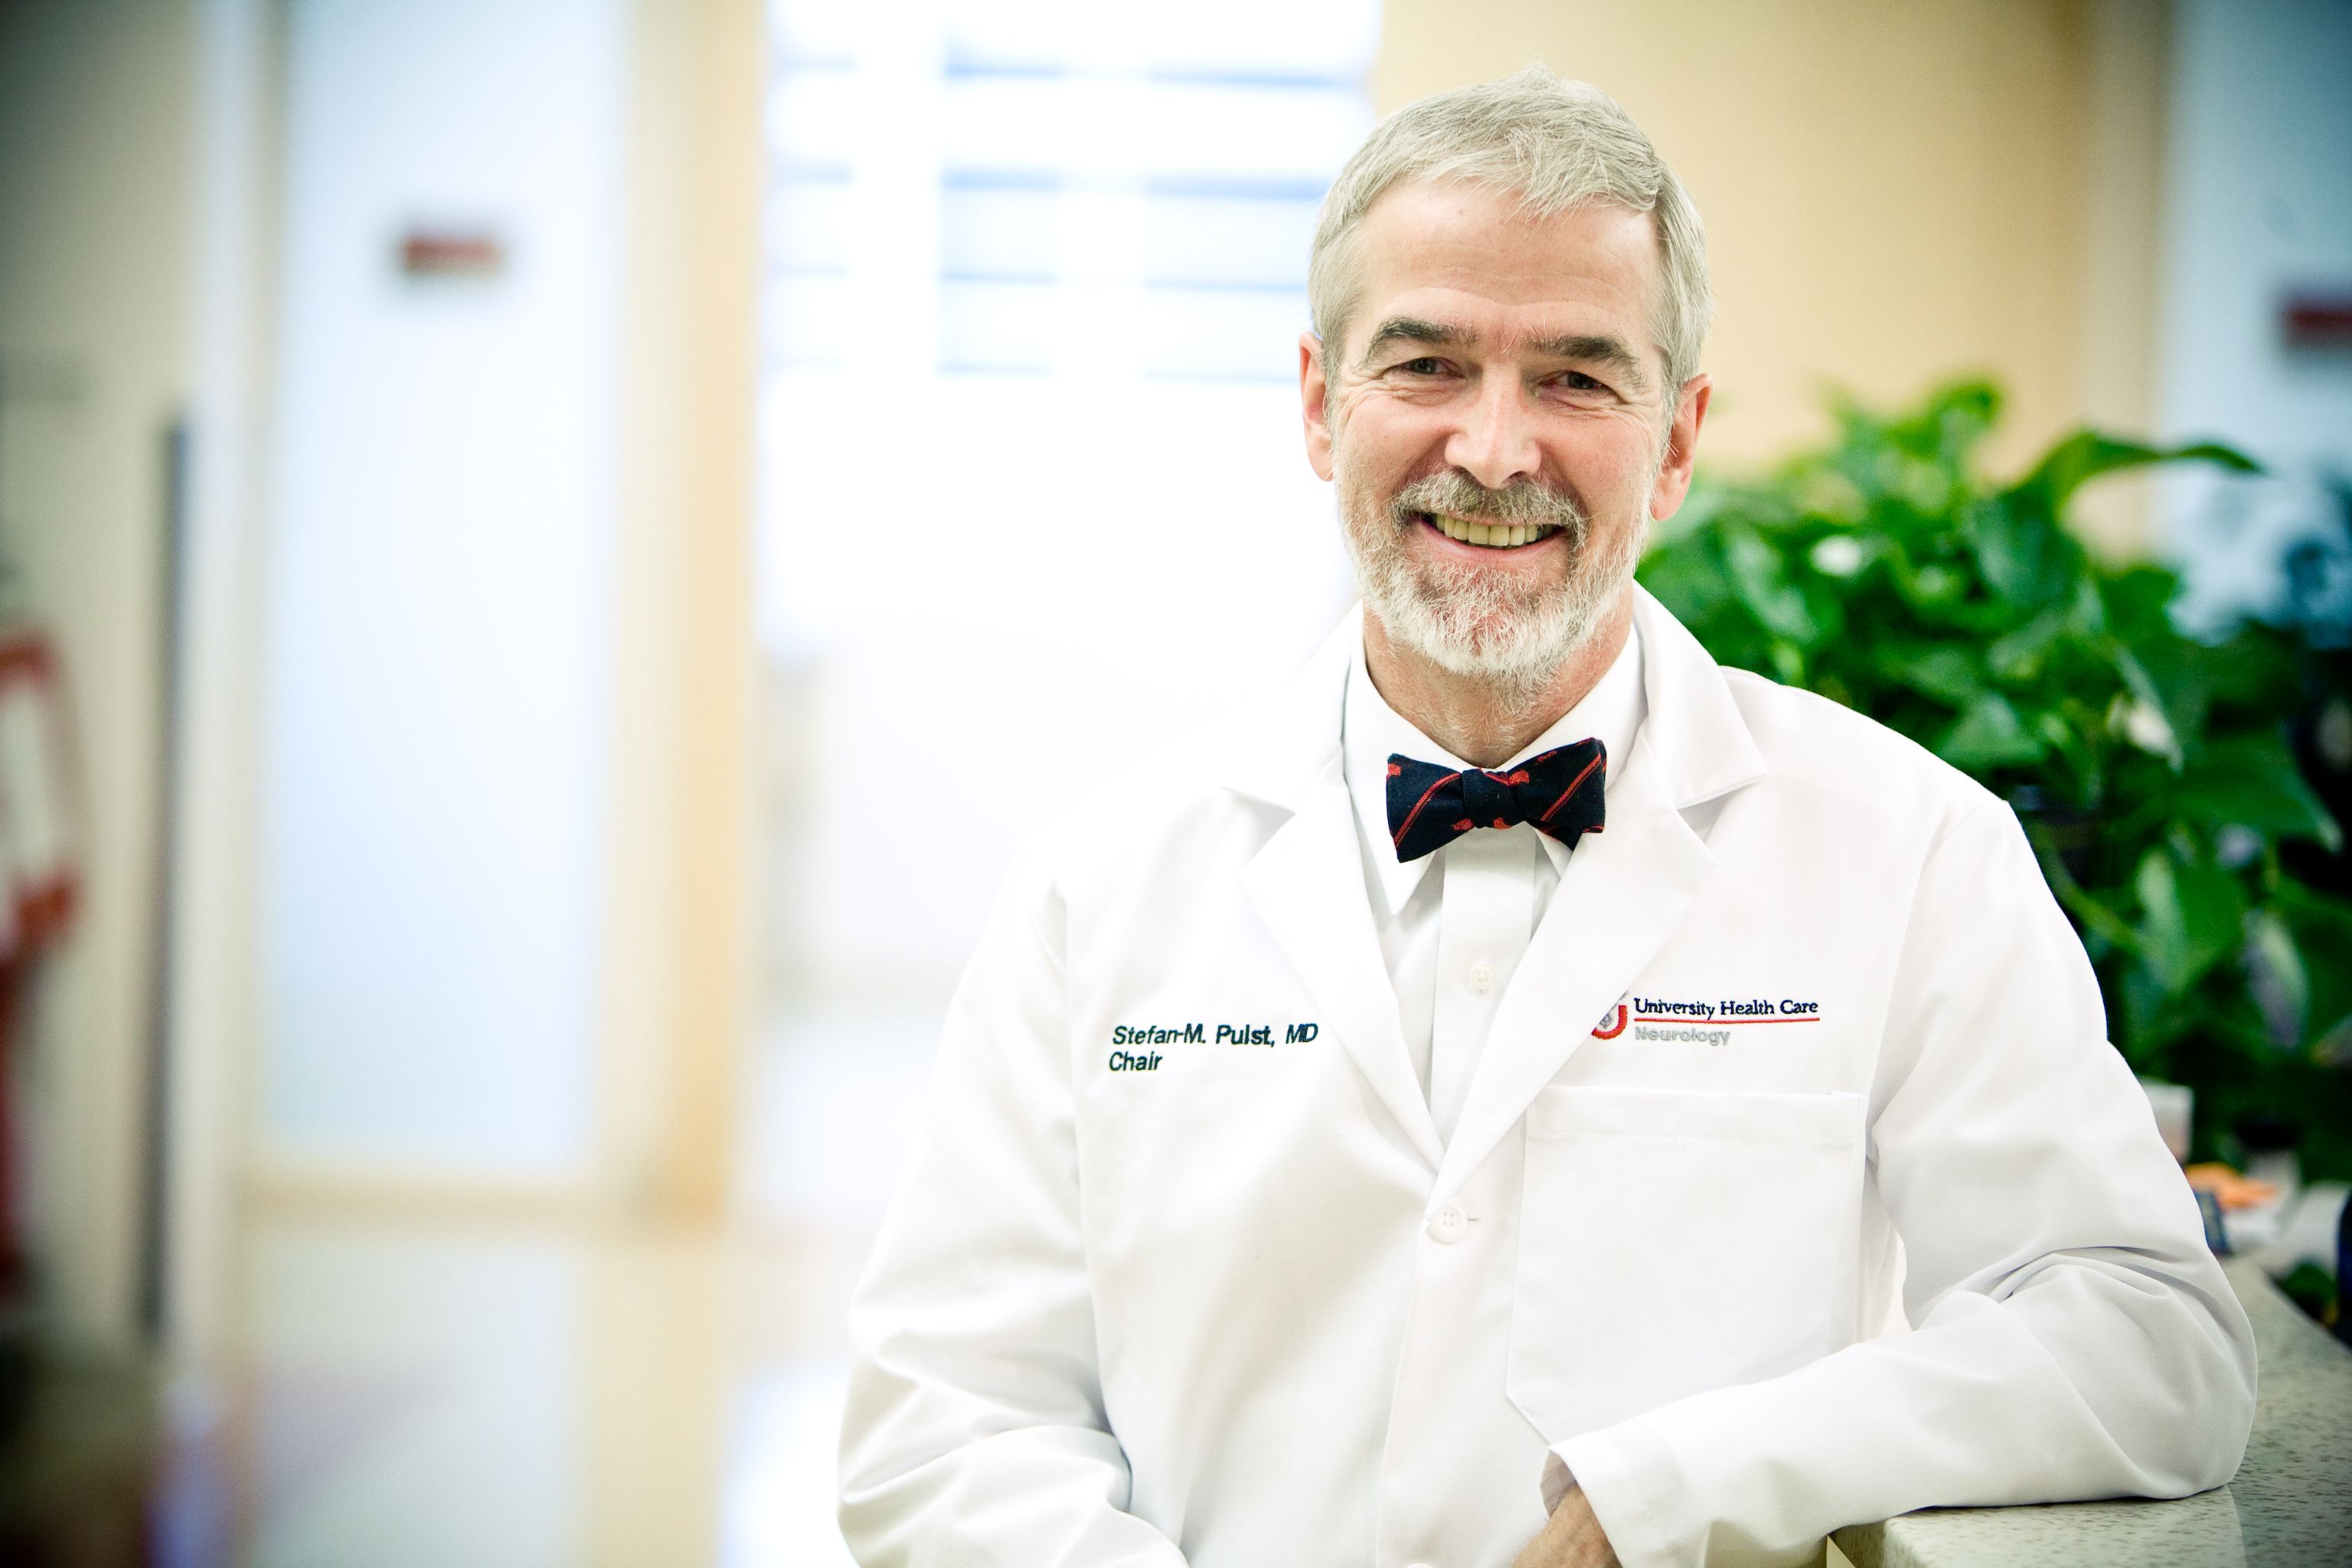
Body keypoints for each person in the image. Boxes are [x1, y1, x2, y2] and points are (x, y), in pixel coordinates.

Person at [837, 67, 2256, 1568]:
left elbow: (2145, 1336)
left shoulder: (1908, 852)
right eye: (1427, 365)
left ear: (1680, 437)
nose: (1497, 449)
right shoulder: (1102, 884)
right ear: (1321, 405)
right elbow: (944, 1419)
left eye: (1577, 376)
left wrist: (1678, 1485)